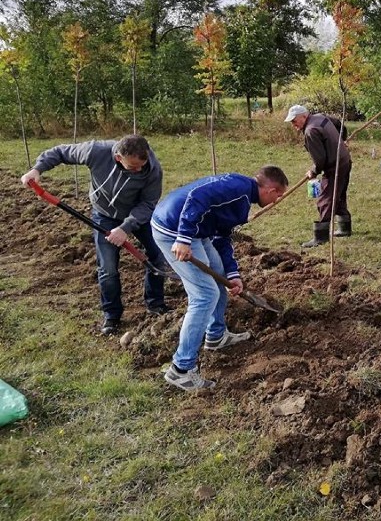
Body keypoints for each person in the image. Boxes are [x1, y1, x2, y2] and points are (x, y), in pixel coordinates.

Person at [151, 166, 288, 392]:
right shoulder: (238, 188)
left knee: (219, 277)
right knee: (205, 295)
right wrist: (183, 238)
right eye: (279, 196)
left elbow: (222, 237)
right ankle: (181, 369)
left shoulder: (242, 199)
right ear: (271, 190)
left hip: (196, 232)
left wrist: (232, 274)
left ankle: (215, 335)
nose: (277, 201)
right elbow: (198, 196)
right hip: (173, 231)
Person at [20, 135, 169, 335]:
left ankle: (155, 304)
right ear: (118, 158)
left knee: (158, 257)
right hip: (104, 215)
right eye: (133, 167)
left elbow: (148, 204)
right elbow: (60, 152)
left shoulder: (152, 169)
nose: (139, 170)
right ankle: (112, 316)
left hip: (137, 216)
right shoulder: (95, 151)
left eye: (142, 165)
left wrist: (125, 228)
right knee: (108, 268)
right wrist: (37, 169)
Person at [284, 104, 352, 248]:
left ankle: (320, 237)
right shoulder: (320, 117)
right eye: (291, 122)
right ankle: (345, 229)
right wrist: (342, 140)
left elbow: (320, 160)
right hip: (345, 160)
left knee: (325, 199)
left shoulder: (311, 131)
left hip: (335, 166)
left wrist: (313, 171)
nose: (293, 125)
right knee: (339, 195)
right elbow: (339, 124)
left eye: (294, 121)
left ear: (304, 116)